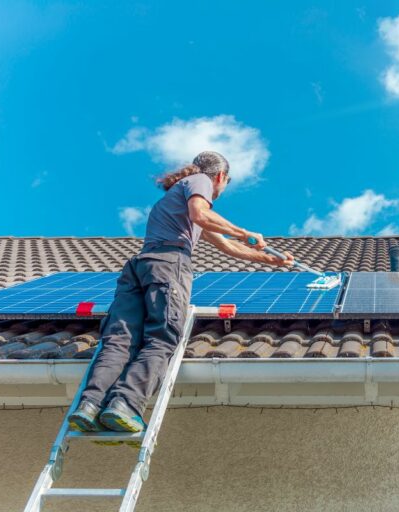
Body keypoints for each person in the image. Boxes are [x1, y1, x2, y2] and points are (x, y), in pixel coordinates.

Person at [68, 151, 294, 432]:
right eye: (224, 183)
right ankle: (124, 404)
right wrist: (245, 232)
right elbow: (202, 214)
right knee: (162, 338)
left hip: (139, 267)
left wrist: (272, 259)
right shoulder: (200, 181)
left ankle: (89, 405)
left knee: (119, 341)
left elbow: (225, 245)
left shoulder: (174, 199)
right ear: (221, 176)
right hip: (167, 265)